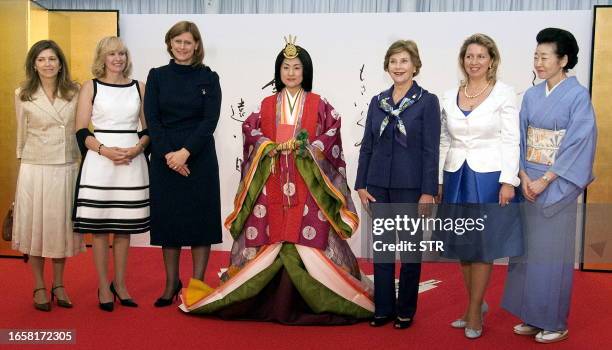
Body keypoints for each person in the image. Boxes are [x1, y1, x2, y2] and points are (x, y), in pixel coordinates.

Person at [179, 36, 374, 324]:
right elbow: (251, 132)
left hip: (307, 184)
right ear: (278, 71)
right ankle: (266, 295)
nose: (291, 73)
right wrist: (268, 146)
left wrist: (307, 148)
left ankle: (316, 294)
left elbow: (330, 136)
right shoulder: (267, 105)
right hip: (272, 182)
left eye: (297, 67)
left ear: (305, 71)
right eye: (286, 67)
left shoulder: (320, 105)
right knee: (272, 233)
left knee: (308, 233)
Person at [501, 27, 596, 344]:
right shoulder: (531, 95)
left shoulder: (578, 96)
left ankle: (554, 320)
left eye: (545, 56)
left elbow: (579, 144)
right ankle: (531, 315)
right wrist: (525, 177)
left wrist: (545, 179)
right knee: (527, 253)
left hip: (556, 183)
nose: (539, 62)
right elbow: (519, 138)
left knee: (551, 254)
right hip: (529, 179)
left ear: (563, 59)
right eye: (536, 56)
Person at [437, 33, 522, 338]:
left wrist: (508, 181)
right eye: (469, 56)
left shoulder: (504, 93)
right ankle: (477, 302)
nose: (474, 62)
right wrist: (439, 178)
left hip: (489, 177)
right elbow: (445, 139)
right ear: (463, 60)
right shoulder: (449, 96)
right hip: (456, 175)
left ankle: (474, 312)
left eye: (480, 56)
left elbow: (513, 140)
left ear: (492, 61)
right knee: (462, 245)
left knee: (483, 245)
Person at [355, 40, 440, 329]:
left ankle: (405, 310)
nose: (398, 67)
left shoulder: (427, 101)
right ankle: (383, 308)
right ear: (386, 67)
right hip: (378, 185)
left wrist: (428, 190)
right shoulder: (377, 101)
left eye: (404, 61)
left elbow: (431, 149)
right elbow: (367, 144)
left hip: (411, 187)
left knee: (409, 252)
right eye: (393, 62)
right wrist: (361, 183)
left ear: (415, 65)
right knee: (382, 250)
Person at [144, 21, 222, 307]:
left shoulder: (209, 78)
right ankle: (170, 283)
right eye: (177, 41)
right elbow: (152, 120)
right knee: (170, 220)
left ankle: (198, 284)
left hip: (198, 154)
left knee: (201, 220)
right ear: (169, 43)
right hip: (165, 157)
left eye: (188, 42)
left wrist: (185, 153)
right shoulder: (157, 76)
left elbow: (209, 121)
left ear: (197, 46)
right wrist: (169, 155)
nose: (182, 46)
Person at [74, 36, 150, 311]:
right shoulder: (90, 87)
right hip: (100, 162)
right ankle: (103, 286)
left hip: (132, 162)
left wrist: (137, 148)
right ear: (102, 58)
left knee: (123, 227)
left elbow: (147, 129)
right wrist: (105, 150)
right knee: (100, 228)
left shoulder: (139, 87)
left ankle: (120, 284)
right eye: (111, 54)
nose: (117, 58)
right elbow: (81, 130)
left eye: (121, 53)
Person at [12, 40, 84, 312]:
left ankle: (59, 284)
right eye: (41, 59)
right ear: (34, 64)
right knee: (36, 229)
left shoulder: (74, 91)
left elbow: (81, 126)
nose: (47, 64)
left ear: (60, 62)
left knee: (59, 229)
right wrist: (23, 162)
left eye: (52, 59)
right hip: (35, 167)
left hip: (66, 165)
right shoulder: (23, 93)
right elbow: (21, 134)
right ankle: (39, 285)